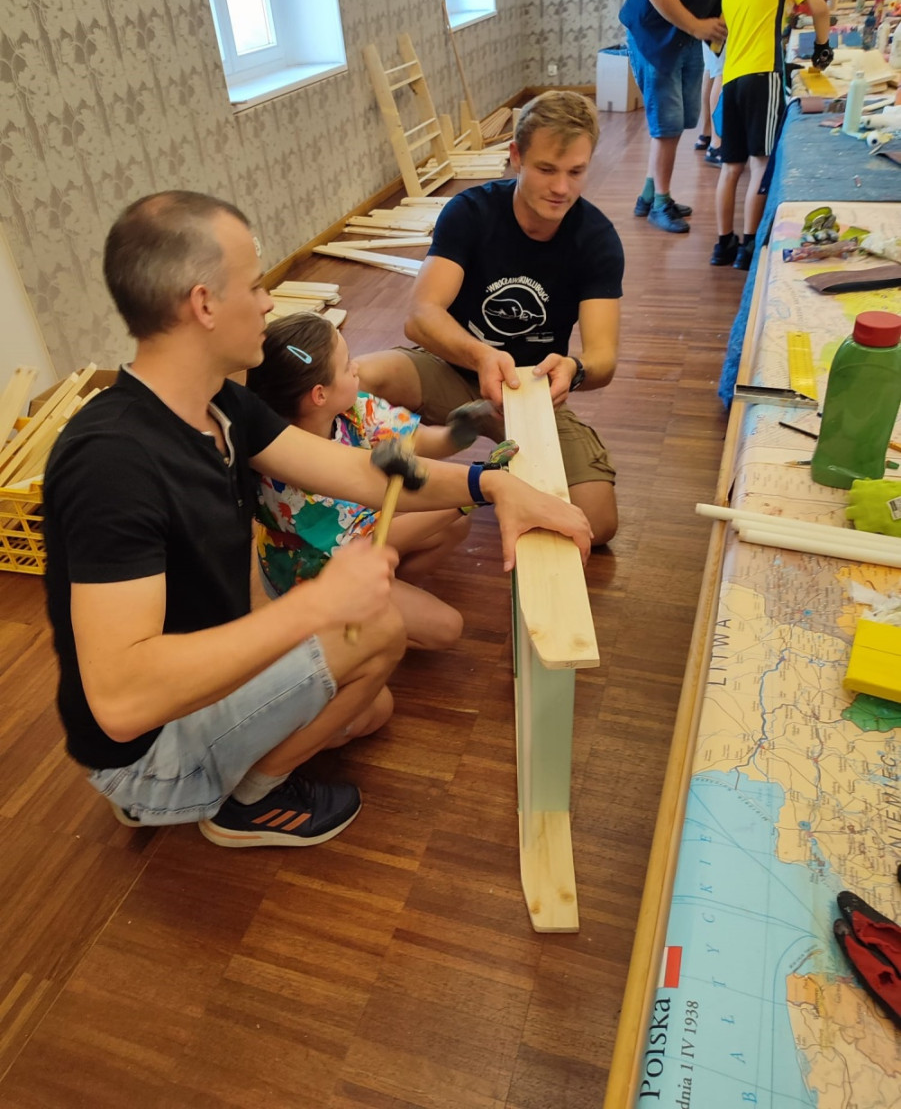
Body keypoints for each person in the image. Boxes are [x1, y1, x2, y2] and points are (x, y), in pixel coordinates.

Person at [41, 191, 592, 850]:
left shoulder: (219, 406)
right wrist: (317, 605)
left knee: (372, 706)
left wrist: (490, 484)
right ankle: (244, 801)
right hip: (147, 752)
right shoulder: (112, 464)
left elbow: (359, 472)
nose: (267, 302)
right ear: (204, 304)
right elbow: (122, 701)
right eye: (255, 284)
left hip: (203, 674)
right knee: (377, 633)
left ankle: (229, 769)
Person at [355, 90, 623, 546]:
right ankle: (351, 491)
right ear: (516, 156)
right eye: (546, 169)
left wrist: (574, 369)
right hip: (451, 368)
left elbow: (603, 359)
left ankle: (487, 467)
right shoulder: (471, 212)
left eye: (576, 172)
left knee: (597, 522)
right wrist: (480, 356)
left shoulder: (597, 240)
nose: (562, 188)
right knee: (360, 376)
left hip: (528, 391)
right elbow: (421, 316)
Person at [245, 310, 485, 650]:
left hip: (362, 529)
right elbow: (370, 544)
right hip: (319, 571)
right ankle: (340, 632)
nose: (356, 367)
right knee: (446, 629)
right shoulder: (286, 485)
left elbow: (414, 440)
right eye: (347, 365)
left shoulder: (351, 408)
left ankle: (385, 594)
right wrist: (468, 497)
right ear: (319, 395)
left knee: (452, 525)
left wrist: (455, 435)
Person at [619, 0, 756, 234]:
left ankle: (650, 195)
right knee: (667, 123)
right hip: (656, 31)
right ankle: (660, 203)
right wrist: (696, 26)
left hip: (687, 29)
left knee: (680, 120)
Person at [710, 0, 832, 271]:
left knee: (730, 167)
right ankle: (748, 246)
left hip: (731, 78)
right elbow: (819, 8)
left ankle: (723, 245)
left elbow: (729, 31)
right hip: (763, 76)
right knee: (761, 163)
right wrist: (823, 47)